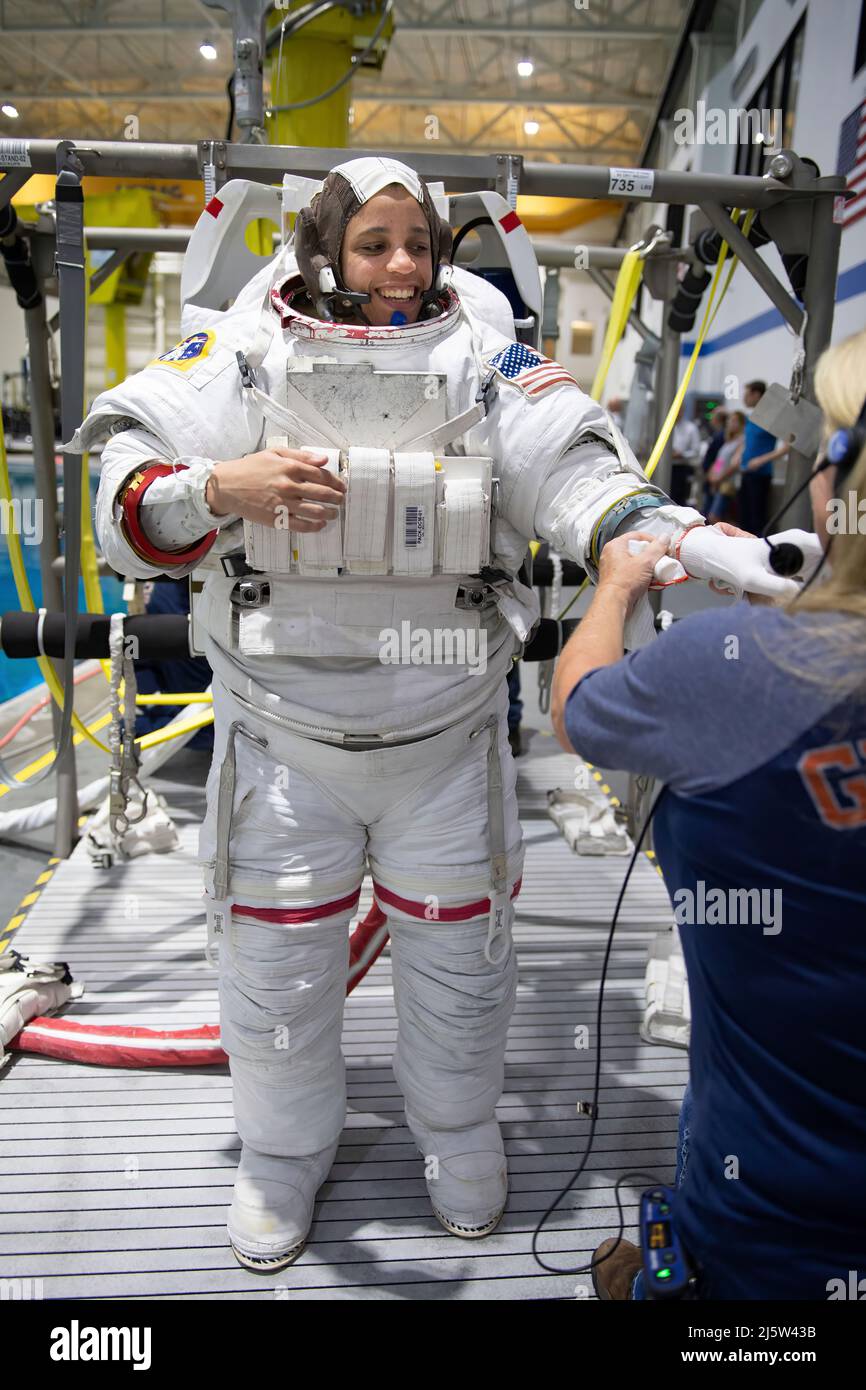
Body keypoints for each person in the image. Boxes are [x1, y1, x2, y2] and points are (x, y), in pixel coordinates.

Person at [73, 156, 798, 1275]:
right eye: (374, 244)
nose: (404, 264)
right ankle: (279, 1154)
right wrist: (220, 490)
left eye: (418, 241)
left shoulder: (481, 349)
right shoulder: (244, 350)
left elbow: (569, 463)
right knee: (275, 975)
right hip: (282, 743)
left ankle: (456, 1134)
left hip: (445, 741)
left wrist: (642, 532)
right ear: (323, 251)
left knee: (464, 968)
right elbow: (122, 477)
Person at [550, 328, 866, 1300]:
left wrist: (614, 586)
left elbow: (577, 707)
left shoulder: (731, 671)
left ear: (834, 483)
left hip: (773, 1219)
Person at [738, 379, 789, 534]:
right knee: (744, 517)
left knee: (756, 519)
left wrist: (761, 460)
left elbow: (787, 446)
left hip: (760, 475)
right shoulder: (751, 418)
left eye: (747, 394)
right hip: (746, 472)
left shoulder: (771, 417)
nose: (744, 398)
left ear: (757, 394)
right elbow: (748, 442)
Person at [706, 408, 745, 521]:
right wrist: (713, 475)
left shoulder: (742, 441)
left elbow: (734, 465)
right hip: (719, 482)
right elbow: (720, 461)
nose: (730, 423)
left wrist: (719, 478)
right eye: (729, 420)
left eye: (734, 421)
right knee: (720, 516)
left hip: (728, 483)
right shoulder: (728, 441)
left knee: (715, 516)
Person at [669, 405, 702, 507]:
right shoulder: (665, 427)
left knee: (679, 500)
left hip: (682, 468)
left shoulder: (690, 428)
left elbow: (696, 451)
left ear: (682, 411)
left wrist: (682, 454)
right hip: (666, 468)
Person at [700, 405, 727, 513]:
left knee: (711, 511)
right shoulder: (718, 435)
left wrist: (713, 475)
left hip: (715, 478)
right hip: (712, 475)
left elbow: (719, 459)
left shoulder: (721, 437)